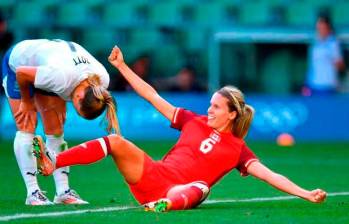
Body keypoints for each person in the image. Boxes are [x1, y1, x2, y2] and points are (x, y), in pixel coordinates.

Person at [34, 46, 326, 212]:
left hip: (179, 192)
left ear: (232, 114)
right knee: (116, 141)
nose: (209, 110)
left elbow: (270, 176)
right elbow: (152, 95)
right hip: (152, 176)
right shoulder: (192, 120)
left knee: (201, 187)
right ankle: (52, 162)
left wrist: (305, 193)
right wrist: (121, 66)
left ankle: (165, 204)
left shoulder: (239, 150)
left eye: (215, 107)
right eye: (210, 104)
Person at [1, 39, 119, 205]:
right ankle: (33, 192)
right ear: (78, 97)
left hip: (51, 68)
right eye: (76, 108)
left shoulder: (101, 83)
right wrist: (26, 101)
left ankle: (63, 192)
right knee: (27, 125)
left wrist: (59, 101)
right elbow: (22, 73)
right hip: (19, 64)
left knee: (56, 130)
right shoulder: (60, 77)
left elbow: (67, 84)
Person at [304, 14, 345, 95]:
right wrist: (307, 83)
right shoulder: (315, 44)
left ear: (328, 28)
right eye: (319, 27)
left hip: (328, 85)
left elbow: (340, 65)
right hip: (314, 85)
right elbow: (312, 65)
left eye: (323, 27)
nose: (320, 29)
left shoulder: (333, 44)